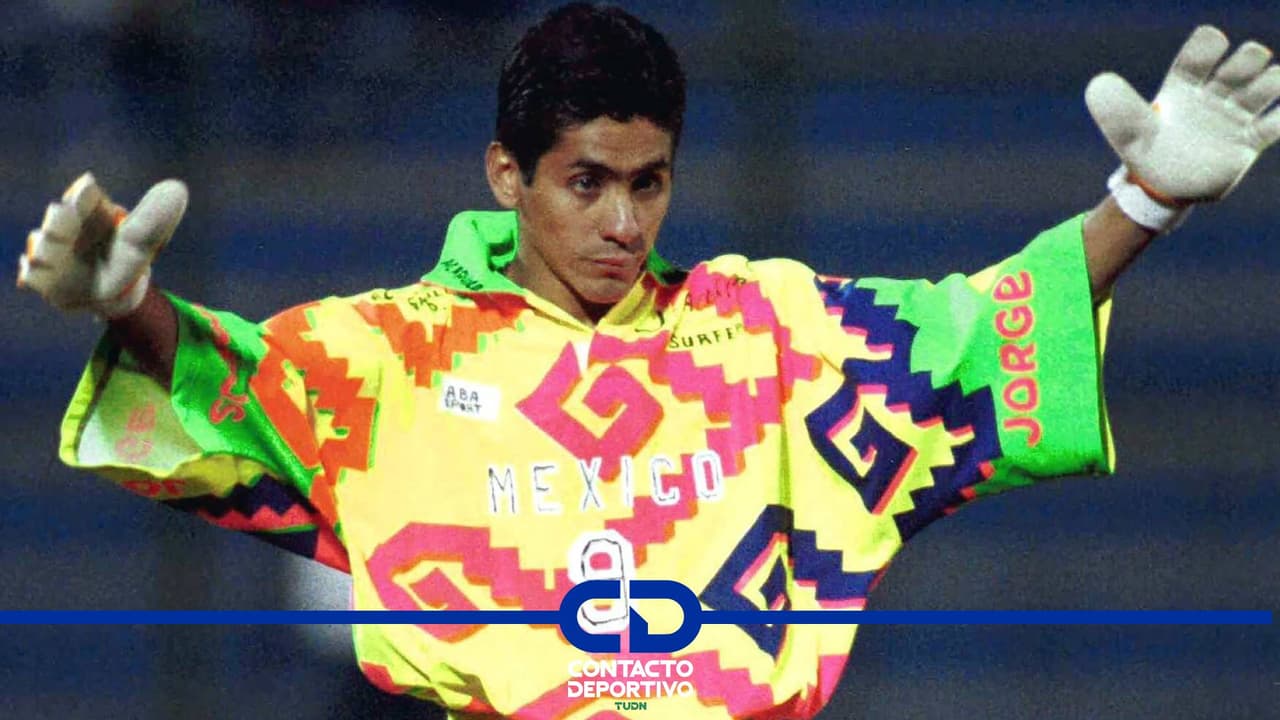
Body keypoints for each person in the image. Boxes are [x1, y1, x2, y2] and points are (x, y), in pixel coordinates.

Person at [16, 3, 1279, 719]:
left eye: (649, 181)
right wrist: (128, 304)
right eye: (586, 183)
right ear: (506, 174)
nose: (624, 222)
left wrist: (1145, 202)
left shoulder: (774, 333)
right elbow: (236, 395)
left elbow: (972, 338)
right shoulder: (391, 355)